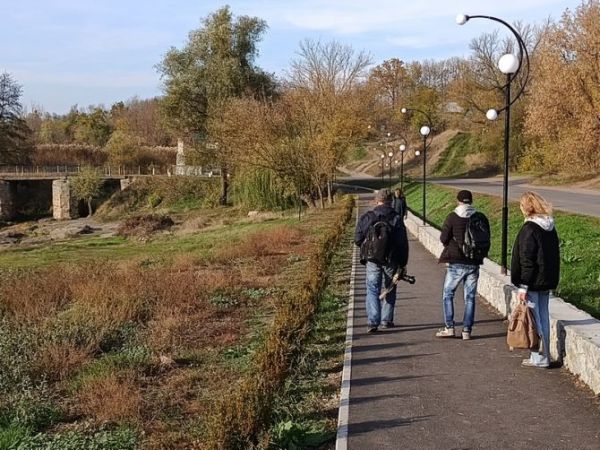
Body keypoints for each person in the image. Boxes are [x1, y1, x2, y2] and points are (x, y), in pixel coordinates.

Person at [511, 191, 560, 368]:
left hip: (531, 282)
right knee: (543, 318)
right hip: (546, 280)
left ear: (526, 207)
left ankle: (538, 356)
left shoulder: (529, 228)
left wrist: (523, 286)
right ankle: (545, 354)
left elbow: (526, 259)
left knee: (534, 320)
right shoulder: (549, 227)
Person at [436, 190, 490, 340]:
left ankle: (449, 327)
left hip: (456, 262)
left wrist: (452, 246)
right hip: (474, 262)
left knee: (448, 294)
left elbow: (443, 238)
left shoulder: (452, 217)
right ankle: (467, 330)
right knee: (470, 297)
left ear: (458, 200)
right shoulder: (480, 217)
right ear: (471, 201)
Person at [355, 189, 409, 333]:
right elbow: (402, 242)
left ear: (376, 200)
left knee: (372, 288)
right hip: (391, 259)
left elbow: (357, 239)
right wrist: (402, 263)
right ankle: (386, 320)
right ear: (391, 201)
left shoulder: (368, 216)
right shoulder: (396, 218)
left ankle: (373, 321)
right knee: (390, 287)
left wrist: (368, 248)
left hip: (372, 260)